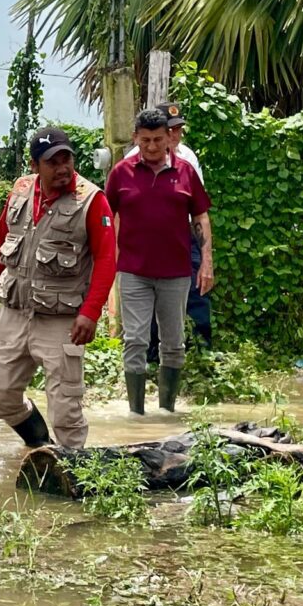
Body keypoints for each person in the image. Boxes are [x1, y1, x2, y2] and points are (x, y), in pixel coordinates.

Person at [0, 127, 115, 448]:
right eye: (52, 162)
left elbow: (106, 260)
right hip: (15, 312)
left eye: (66, 159)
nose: (62, 168)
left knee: (66, 409)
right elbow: (1, 240)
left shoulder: (91, 200)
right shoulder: (21, 190)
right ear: (35, 166)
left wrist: (91, 313)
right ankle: (39, 445)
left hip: (62, 319)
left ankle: (72, 469)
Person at [106, 106, 214, 414]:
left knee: (173, 343)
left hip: (176, 272)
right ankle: (136, 414)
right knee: (135, 341)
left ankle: (167, 410)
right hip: (133, 271)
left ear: (169, 137)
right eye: (145, 140)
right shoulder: (121, 173)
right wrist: (105, 263)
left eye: (157, 139)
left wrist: (206, 262)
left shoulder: (186, 172)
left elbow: (201, 217)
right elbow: (106, 217)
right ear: (135, 138)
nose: (152, 147)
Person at [127, 109, 213, 358]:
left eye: (178, 129)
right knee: (151, 298)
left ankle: (200, 353)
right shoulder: (132, 161)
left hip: (183, 236)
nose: (176, 134)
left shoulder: (188, 158)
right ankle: (153, 356)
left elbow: (199, 211)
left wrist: (206, 257)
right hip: (147, 240)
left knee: (197, 292)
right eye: (171, 129)